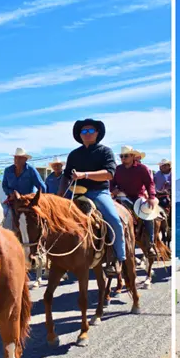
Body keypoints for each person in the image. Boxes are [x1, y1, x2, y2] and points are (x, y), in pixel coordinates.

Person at [58, 118, 125, 276]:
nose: (87, 134)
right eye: (84, 131)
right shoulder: (74, 155)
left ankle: (118, 257)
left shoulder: (105, 151)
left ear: (97, 133)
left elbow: (109, 174)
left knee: (114, 220)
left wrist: (84, 174)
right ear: (80, 135)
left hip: (98, 192)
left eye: (90, 131)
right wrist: (59, 196)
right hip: (76, 193)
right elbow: (66, 176)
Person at [111, 145, 158, 257]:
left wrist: (151, 197)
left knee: (148, 215)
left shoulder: (142, 168)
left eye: (126, 156)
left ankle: (150, 244)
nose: (123, 158)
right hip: (122, 197)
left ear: (132, 156)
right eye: (121, 156)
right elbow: (111, 183)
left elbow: (149, 183)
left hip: (138, 197)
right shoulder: (118, 169)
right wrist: (113, 189)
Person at [1, 148, 47, 220]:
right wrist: (10, 193)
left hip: (28, 202)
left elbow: (42, 187)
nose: (17, 160)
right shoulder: (8, 170)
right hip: (13, 201)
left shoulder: (31, 170)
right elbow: (4, 186)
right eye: (15, 158)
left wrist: (38, 200)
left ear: (25, 159)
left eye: (20, 158)